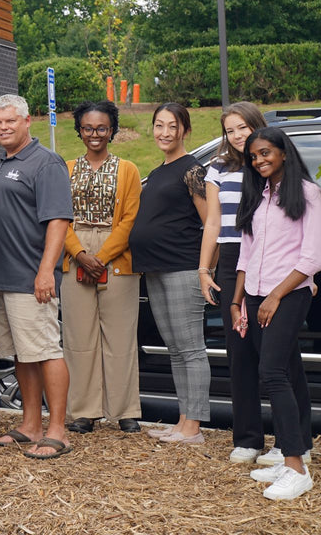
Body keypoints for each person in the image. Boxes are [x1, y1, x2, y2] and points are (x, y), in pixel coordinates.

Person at [232, 127, 321, 501]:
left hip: (289, 294)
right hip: (254, 294)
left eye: (266, 153)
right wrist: (238, 302)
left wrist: (274, 296)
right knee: (289, 370)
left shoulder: (307, 193)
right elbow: (245, 254)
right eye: (253, 156)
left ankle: (296, 469)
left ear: (284, 152)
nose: (259, 161)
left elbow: (312, 258)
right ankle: (298, 450)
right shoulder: (259, 195)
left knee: (271, 372)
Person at [0, 94, 74, 460]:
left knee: (46, 351)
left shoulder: (45, 163)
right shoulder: (2, 164)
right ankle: (30, 425)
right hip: (2, 279)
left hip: (31, 278)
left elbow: (58, 221)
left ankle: (58, 430)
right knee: (23, 355)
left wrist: (45, 272)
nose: (3, 127)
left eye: (10, 121)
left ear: (27, 121)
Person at [61, 101, 142, 435]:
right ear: (80, 130)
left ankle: (125, 411)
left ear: (112, 130)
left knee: (121, 337)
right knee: (79, 337)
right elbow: (58, 218)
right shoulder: (64, 168)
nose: (95, 134)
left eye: (102, 128)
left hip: (117, 256)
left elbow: (130, 219)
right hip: (74, 252)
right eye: (88, 128)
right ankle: (83, 411)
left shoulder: (128, 169)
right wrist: (80, 254)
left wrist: (103, 256)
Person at [129, 102, 208, 443]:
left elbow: (211, 223)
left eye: (171, 126)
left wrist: (206, 269)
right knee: (175, 349)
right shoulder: (161, 170)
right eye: (159, 125)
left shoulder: (193, 170)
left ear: (184, 131)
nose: (164, 132)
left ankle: (194, 427)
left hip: (183, 268)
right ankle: (182, 420)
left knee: (190, 348)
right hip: (156, 269)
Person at [197, 101, 271, 463]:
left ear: (256, 125)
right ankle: (248, 439)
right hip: (229, 260)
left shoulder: (269, 163)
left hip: (268, 260)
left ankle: (293, 440)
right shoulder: (218, 169)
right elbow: (212, 222)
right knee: (239, 353)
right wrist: (203, 270)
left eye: (243, 127)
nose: (238, 135)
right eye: (230, 130)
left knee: (274, 355)